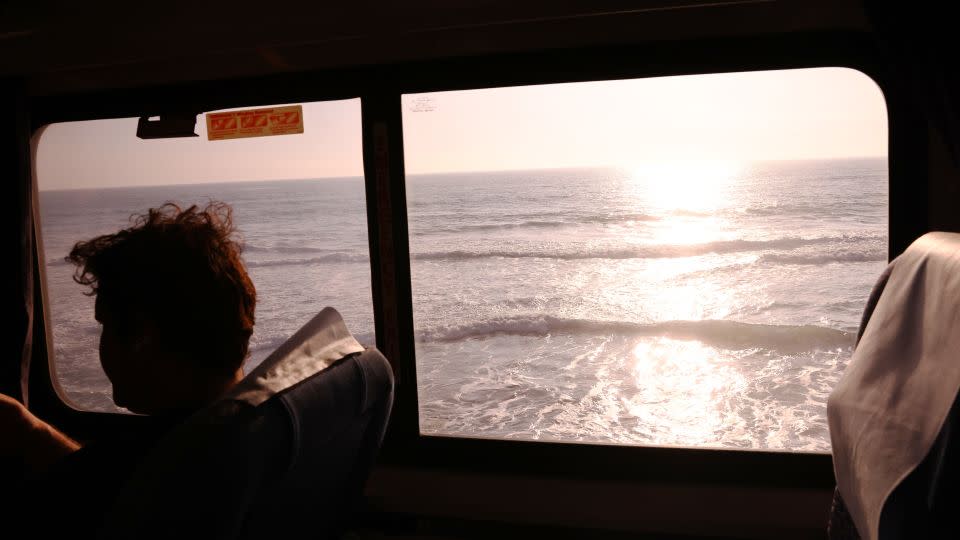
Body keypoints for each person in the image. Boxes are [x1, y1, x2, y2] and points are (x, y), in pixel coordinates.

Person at [0, 201, 256, 536]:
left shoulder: (157, 465)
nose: (101, 343)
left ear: (142, 338)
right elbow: (112, 485)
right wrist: (31, 432)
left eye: (103, 325)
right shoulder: (248, 430)